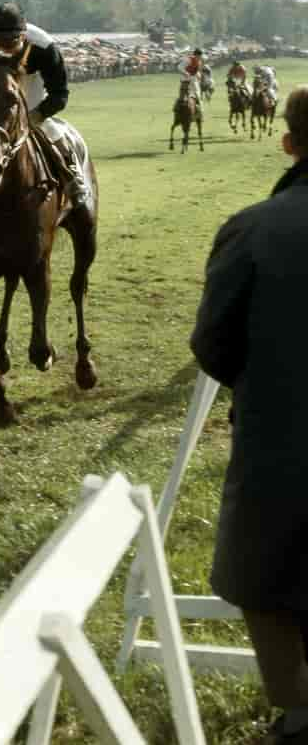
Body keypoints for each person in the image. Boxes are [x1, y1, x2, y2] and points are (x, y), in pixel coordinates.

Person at [191, 84, 308, 745]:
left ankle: (297, 713)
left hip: (279, 458)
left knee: (268, 585)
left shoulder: (250, 228)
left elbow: (213, 346)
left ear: (287, 141)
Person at [0, 1, 91, 206]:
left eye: (9, 45)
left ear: (23, 36)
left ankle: (73, 178)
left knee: (50, 129)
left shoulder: (44, 48)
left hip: (33, 89)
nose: (2, 51)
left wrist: (35, 116)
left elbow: (60, 94)